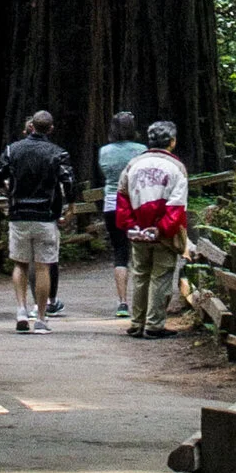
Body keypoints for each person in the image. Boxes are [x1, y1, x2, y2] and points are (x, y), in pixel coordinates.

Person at [0, 108, 77, 333]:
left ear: (31, 127)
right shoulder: (58, 153)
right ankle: (40, 318)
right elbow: (68, 182)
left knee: (20, 263)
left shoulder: (13, 150)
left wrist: (8, 188)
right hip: (46, 216)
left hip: (19, 214)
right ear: (50, 128)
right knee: (43, 267)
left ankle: (21, 310)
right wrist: (70, 206)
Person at [120, 120, 190, 340]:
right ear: (172, 142)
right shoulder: (176, 167)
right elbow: (176, 205)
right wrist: (162, 229)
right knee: (160, 276)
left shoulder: (133, 165)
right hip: (163, 234)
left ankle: (136, 323)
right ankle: (154, 325)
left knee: (140, 275)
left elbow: (122, 198)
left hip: (138, 231)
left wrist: (131, 225)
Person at [96, 111, 141, 318]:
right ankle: (141, 301)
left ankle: (122, 303)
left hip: (112, 205)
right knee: (141, 252)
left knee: (120, 253)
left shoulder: (104, 152)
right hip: (137, 204)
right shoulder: (142, 150)